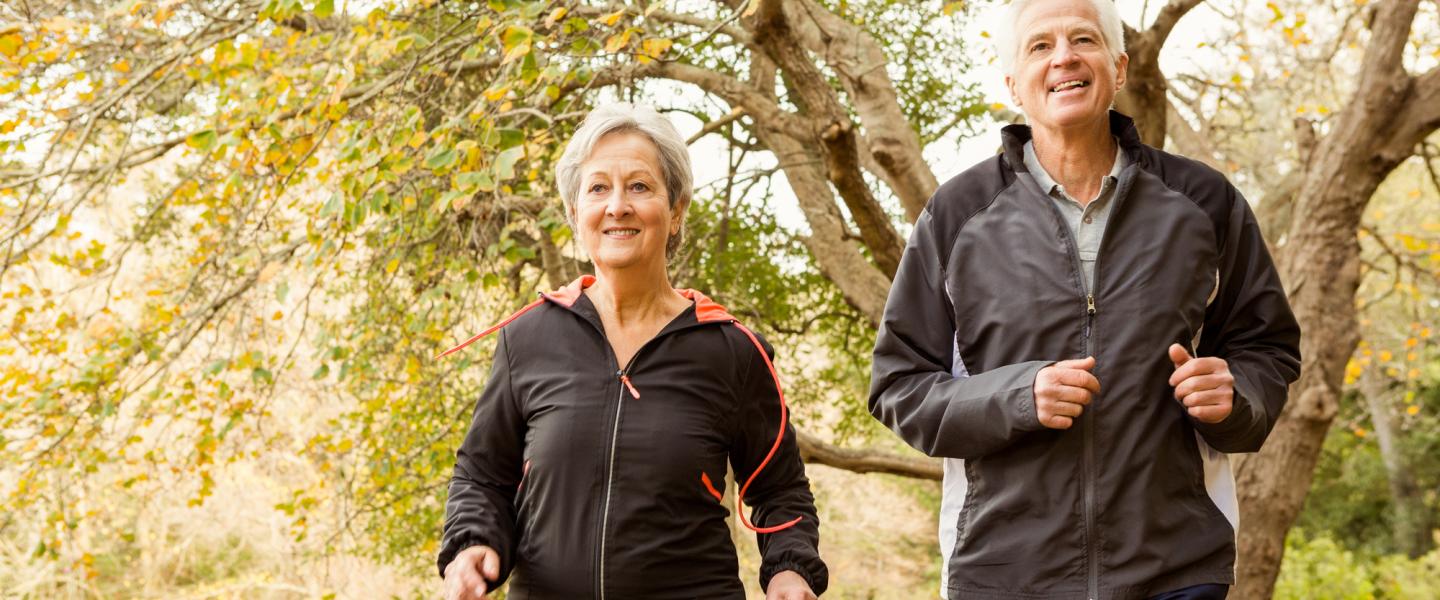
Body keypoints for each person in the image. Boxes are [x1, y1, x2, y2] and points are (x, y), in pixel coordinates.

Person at [868, 0, 1301, 598]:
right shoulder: (956, 215)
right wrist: (1017, 397)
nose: (1064, 58)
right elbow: (898, 386)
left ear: (1118, 69)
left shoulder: (1204, 202)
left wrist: (1234, 397)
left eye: (1084, 39)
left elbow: (1267, 349)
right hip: (1004, 575)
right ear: (1013, 84)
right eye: (1040, 46)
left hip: (1175, 571)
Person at [435, 103, 827, 600]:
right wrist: (473, 544)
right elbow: (482, 476)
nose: (617, 206)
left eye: (639, 186)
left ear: (676, 209)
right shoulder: (527, 338)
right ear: (575, 212)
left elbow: (781, 491)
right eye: (598, 188)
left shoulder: (732, 350)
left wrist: (790, 570)